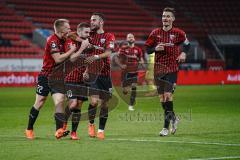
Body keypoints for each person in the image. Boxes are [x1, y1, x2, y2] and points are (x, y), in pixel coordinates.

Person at [25, 19, 76, 140]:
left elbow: (71, 57)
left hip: (58, 77)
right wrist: (72, 50)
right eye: (67, 27)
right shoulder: (52, 40)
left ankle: (58, 130)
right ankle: (29, 128)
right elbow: (58, 59)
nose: (69, 29)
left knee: (59, 101)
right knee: (40, 101)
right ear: (60, 29)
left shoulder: (67, 40)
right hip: (46, 75)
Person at [145, 7, 190, 136]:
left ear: (173, 19)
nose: (165, 18)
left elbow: (188, 45)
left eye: (168, 16)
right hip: (158, 70)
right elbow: (147, 49)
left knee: (168, 96)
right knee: (162, 100)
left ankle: (165, 128)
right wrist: (155, 48)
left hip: (172, 68)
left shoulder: (179, 33)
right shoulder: (155, 33)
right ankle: (174, 119)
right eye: (164, 16)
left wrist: (183, 54)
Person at [81, 12, 115, 140]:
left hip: (105, 75)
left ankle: (101, 130)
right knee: (94, 102)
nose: (91, 22)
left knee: (104, 104)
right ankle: (91, 124)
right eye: (91, 20)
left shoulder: (109, 36)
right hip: (92, 74)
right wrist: (86, 70)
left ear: (101, 22)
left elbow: (108, 53)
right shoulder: (89, 36)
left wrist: (96, 56)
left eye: (94, 20)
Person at [63, 22, 91, 140]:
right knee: (73, 103)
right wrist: (83, 46)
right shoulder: (71, 41)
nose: (88, 34)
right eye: (86, 32)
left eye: (89, 32)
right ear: (79, 32)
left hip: (82, 80)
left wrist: (87, 71)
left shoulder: (88, 43)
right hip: (70, 78)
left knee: (78, 106)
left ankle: (74, 132)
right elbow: (72, 58)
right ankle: (63, 122)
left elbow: (89, 60)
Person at [114, 33, 144, 111]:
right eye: (129, 37)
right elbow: (116, 58)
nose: (130, 38)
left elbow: (141, 59)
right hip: (125, 72)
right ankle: (124, 89)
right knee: (125, 91)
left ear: (134, 39)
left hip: (134, 71)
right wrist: (120, 65)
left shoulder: (138, 49)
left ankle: (131, 105)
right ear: (127, 39)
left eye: (132, 37)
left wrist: (143, 66)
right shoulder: (123, 49)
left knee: (134, 86)